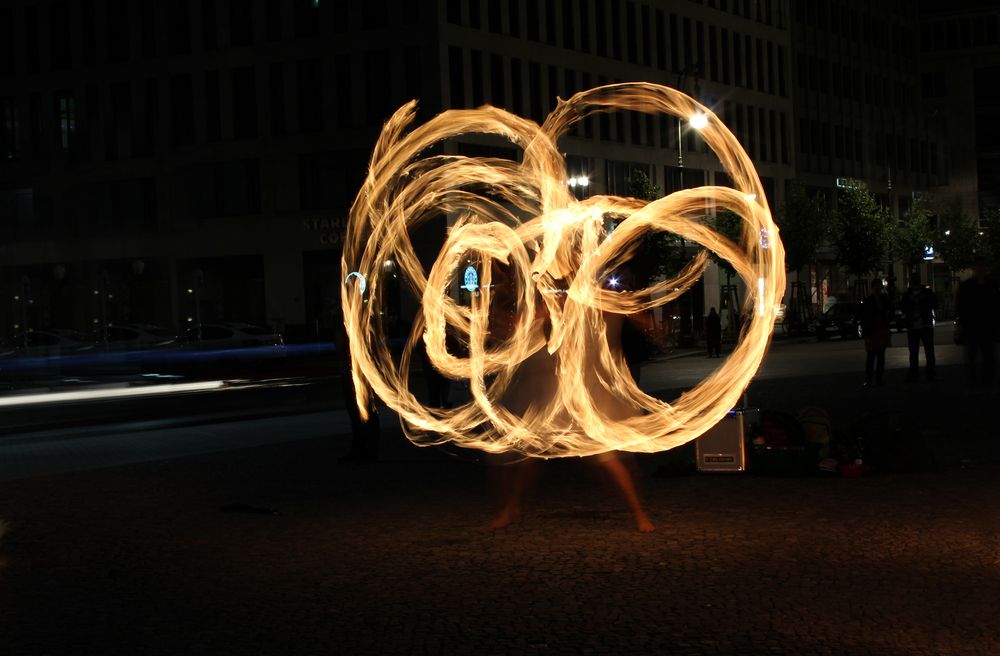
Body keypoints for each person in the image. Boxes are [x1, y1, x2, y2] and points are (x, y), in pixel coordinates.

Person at [334, 308, 380, 463]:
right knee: (360, 412)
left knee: (362, 411)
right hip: (353, 374)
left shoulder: (355, 330)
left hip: (357, 375)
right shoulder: (354, 329)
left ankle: (366, 447)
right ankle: (366, 446)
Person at [956, 257, 998, 387]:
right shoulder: (987, 285)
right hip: (974, 327)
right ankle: (978, 384)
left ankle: (983, 384)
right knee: (975, 358)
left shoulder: (976, 286)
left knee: (985, 358)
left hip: (982, 327)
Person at [901, 272, 937, 382]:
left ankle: (921, 373)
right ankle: (921, 373)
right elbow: (903, 307)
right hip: (918, 325)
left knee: (924, 351)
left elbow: (934, 303)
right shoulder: (909, 294)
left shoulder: (924, 292)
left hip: (922, 325)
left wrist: (923, 299)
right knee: (919, 351)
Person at [860, 278, 891, 387]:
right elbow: (864, 317)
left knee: (880, 357)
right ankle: (869, 379)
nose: (878, 289)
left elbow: (888, 313)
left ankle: (878, 379)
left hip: (880, 330)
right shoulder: (869, 301)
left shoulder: (884, 299)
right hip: (873, 331)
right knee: (871, 357)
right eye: (876, 287)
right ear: (872, 288)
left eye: (879, 286)